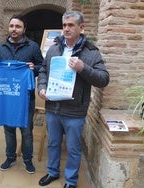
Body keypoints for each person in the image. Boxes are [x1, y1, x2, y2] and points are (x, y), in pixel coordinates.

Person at [37, 11, 109, 188]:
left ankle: (70, 181)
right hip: (53, 106)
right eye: (64, 25)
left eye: (71, 25)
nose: (66, 29)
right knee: (53, 144)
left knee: (74, 148)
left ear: (81, 27)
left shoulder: (91, 52)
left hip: (75, 110)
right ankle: (52, 172)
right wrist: (42, 87)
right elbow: (43, 71)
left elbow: (103, 79)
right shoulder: (53, 49)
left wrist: (83, 68)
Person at [0, 14, 43, 174]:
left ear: (24, 29)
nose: (14, 29)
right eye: (11, 26)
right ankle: (10, 157)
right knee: (9, 129)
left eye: (18, 26)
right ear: (8, 28)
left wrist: (34, 68)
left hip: (26, 98)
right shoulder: (0, 47)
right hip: (6, 97)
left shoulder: (33, 47)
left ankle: (27, 159)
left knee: (26, 130)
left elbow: (42, 66)